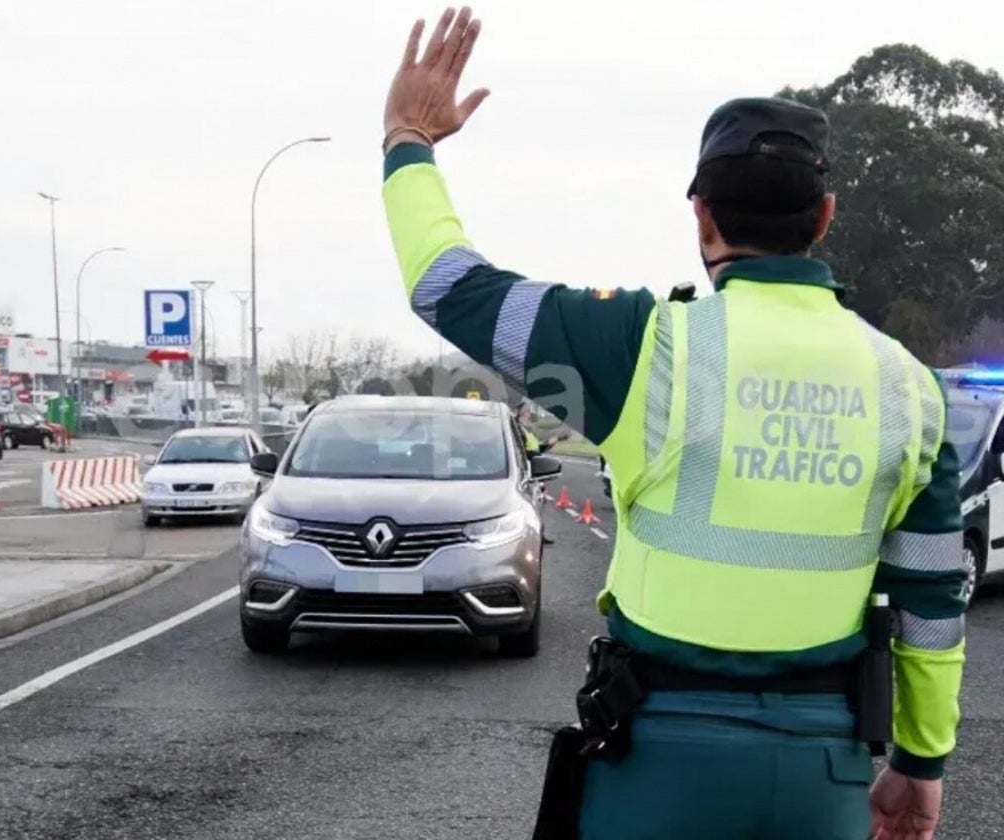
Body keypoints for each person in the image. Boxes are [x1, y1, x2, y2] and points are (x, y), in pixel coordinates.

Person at [379, 8, 966, 840]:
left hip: (655, 763)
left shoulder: (643, 349)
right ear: (825, 217)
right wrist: (920, 763)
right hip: (824, 771)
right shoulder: (911, 389)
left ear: (701, 216)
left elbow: (448, 285)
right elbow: (932, 607)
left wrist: (409, 140)